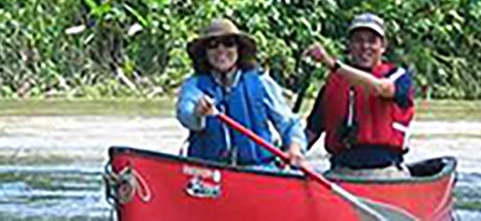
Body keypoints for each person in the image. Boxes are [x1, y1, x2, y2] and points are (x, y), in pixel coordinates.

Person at [175, 18, 308, 169]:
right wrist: (198, 113)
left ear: (239, 49)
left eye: (228, 43)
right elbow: (185, 114)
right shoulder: (194, 86)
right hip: (208, 174)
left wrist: (294, 148)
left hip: (258, 170)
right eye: (212, 45)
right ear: (205, 52)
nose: (221, 50)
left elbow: (289, 124)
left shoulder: (261, 83)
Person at [303, 13, 415, 179]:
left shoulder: (398, 76)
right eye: (358, 40)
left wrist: (332, 64)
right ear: (350, 45)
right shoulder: (333, 84)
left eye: (372, 41)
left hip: (384, 172)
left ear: (382, 46)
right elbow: (311, 132)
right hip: (339, 172)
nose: (365, 47)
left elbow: (381, 88)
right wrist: (290, 151)